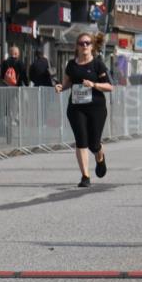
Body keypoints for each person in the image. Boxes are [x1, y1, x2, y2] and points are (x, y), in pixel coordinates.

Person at [55, 33, 113, 188]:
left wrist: (94, 85)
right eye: (81, 43)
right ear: (77, 46)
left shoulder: (98, 64)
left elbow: (109, 86)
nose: (84, 46)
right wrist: (61, 87)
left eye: (87, 43)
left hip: (96, 108)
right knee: (81, 141)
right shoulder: (71, 65)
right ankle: (85, 176)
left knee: (94, 144)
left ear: (92, 46)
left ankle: (100, 157)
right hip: (76, 108)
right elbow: (67, 83)